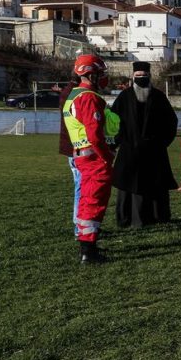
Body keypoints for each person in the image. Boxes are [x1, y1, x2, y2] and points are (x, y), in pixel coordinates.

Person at [64, 54, 119, 264]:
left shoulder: (73, 96)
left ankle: (87, 244)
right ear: (90, 74)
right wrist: (107, 156)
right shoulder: (88, 97)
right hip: (93, 158)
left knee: (87, 200)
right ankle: (88, 250)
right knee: (94, 202)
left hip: (82, 156)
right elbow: (95, 134)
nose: (103, 78)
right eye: (100, 74)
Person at [111, 61, 178, 228]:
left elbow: (170, 122)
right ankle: (127, 218)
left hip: (154, 151)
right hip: (129, 150)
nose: (141, 78)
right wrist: (119, 141)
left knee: (156, 184)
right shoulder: (124, 97)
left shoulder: (159, 97)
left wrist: (161, 143)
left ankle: (157, 217)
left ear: (150, 77)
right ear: (133, 77)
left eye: (144, 76)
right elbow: (113, 122)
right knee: (129, 185)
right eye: (138, 76)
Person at [58, 79, 80, 236]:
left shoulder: (67, 92)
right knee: (81, 187)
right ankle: (79, 226)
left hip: (70, 147)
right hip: (76, 147)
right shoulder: (76, 94)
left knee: (79, 185)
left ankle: (80, 224)